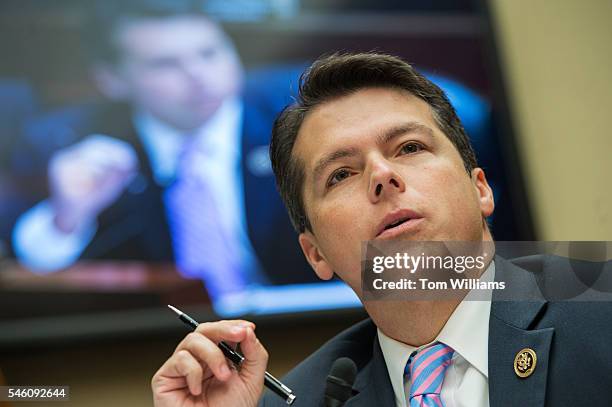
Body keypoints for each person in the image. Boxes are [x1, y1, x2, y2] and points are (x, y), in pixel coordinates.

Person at [151, 52, 612, 406]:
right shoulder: (300, 399)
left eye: (409, 147)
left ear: (481, 190)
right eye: (341, 174)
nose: (382, 176)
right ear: (315, 254)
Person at [9, 1, 313, 304]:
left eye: (209, 53)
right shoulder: (65, 140)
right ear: (111, 80)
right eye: (165, 64)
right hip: (164, 337)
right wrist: (66, 218)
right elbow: (24, 274)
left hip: (308, 320)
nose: (198, 74)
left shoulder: (302, 111)